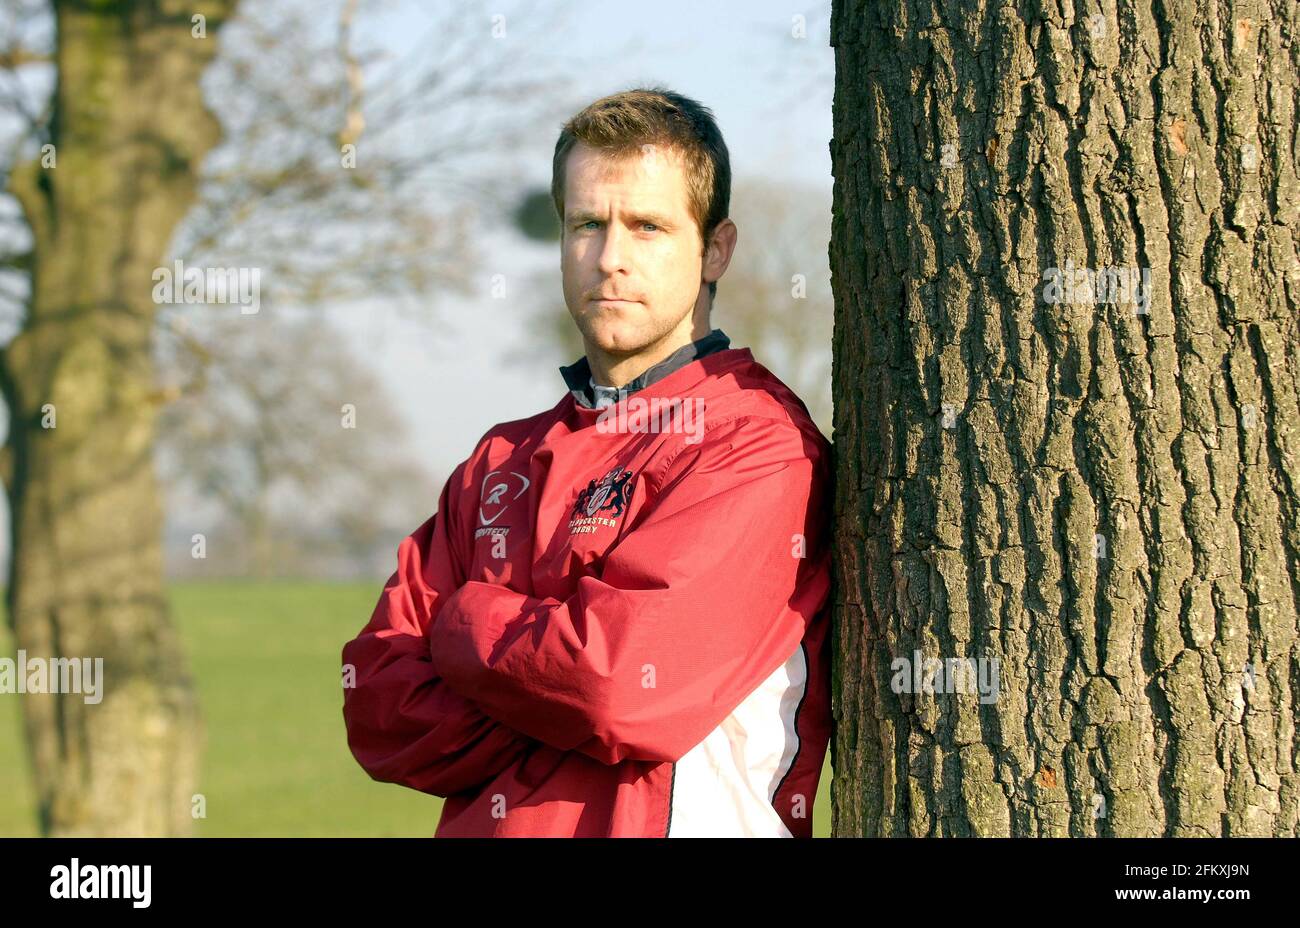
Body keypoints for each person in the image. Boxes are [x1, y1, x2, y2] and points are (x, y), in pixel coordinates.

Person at [341, 86, 832, 837]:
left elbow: (619, 689)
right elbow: (379, 708)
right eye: (587, 225)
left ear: (715, 250)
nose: (611, 259)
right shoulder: (500, 460)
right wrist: (549, 675)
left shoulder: (758, 445)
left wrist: (464, 620)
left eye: (648, 227)